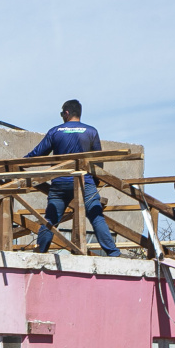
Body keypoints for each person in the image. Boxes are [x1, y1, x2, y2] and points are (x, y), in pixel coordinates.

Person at [23, 100, 121, 257]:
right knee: (96, 217)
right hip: (84, 182)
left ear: (67, 113)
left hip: (60, 183)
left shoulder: (55, 131)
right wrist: (95, 181)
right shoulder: (91, 132)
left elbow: (38, 154)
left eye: (62, 113)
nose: (62, 116)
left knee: (51, 219)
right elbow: (98, 162)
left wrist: (20, 164)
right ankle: (113, 253)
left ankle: (40, 253)